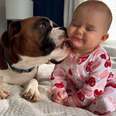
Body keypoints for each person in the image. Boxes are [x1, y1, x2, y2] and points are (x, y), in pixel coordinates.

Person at [50, 0, 116, 115]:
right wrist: (58, 91)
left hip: (100, 86)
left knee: (105, 101)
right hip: (76, 85)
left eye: (89, 29)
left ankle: (90, 104)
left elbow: (94, 87)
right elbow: (58, 74)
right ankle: (80, 100)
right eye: (75, 24)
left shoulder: (101, 57)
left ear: (102, 38)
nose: (79, 30)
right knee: (60, 95)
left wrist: (75, 101)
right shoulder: (66, 50)